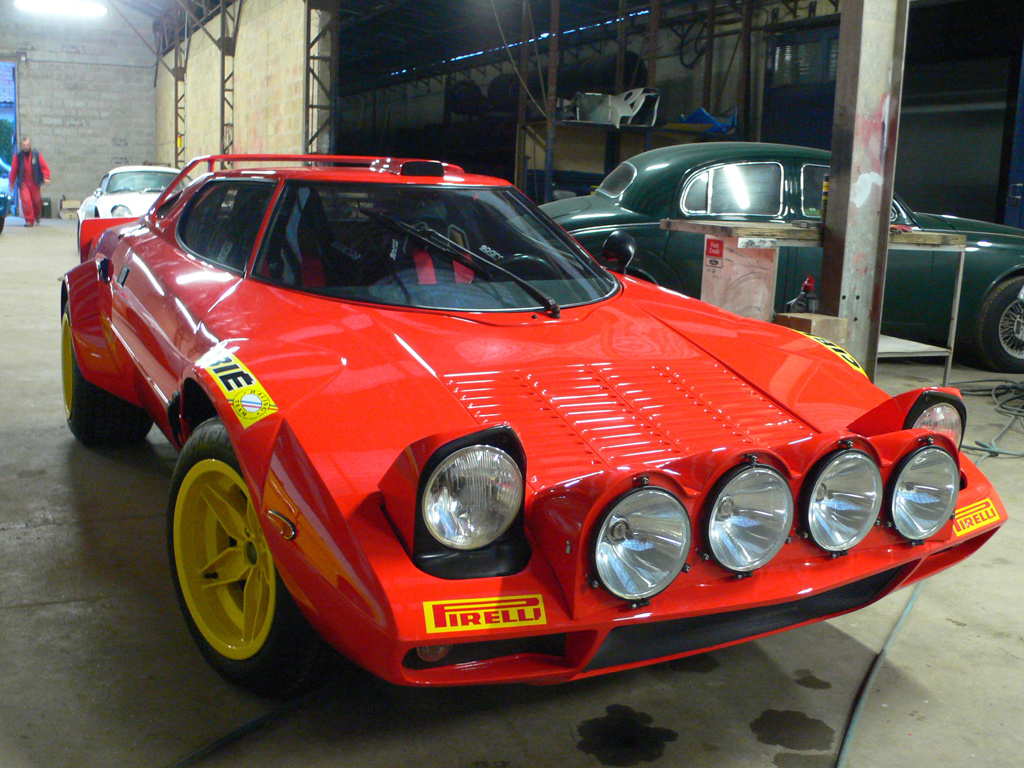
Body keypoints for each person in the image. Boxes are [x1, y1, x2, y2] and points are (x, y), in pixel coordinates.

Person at [8, 137, 50, 227]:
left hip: (35, 182)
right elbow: (14, 170)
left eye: (27, 145)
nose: (25, 147)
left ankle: (37, 215)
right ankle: (30, 220)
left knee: (37, 201)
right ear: (21, 146)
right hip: (23, 182)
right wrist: (11, 183)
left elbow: (43, 166)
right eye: (24, 145)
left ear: (30, 145)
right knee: (26, 201)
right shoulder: (18, 157)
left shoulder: (37, 155)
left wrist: (46, 177)